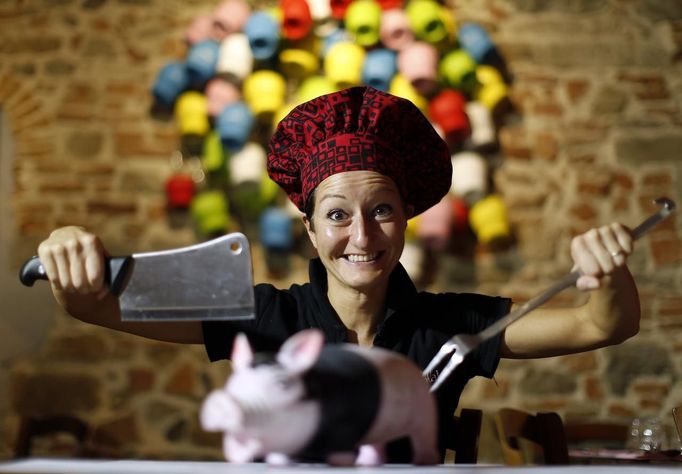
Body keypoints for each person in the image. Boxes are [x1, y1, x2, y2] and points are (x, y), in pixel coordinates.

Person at [36, 86, 640, 461]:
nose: (361, 237)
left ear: (406, 219)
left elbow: (599, 325)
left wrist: (607, 270)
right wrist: (69, 257)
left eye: (381, 211)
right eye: (336, 215)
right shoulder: (268, 316)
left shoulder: (452, 322)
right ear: (310, 229)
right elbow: (93, 307)